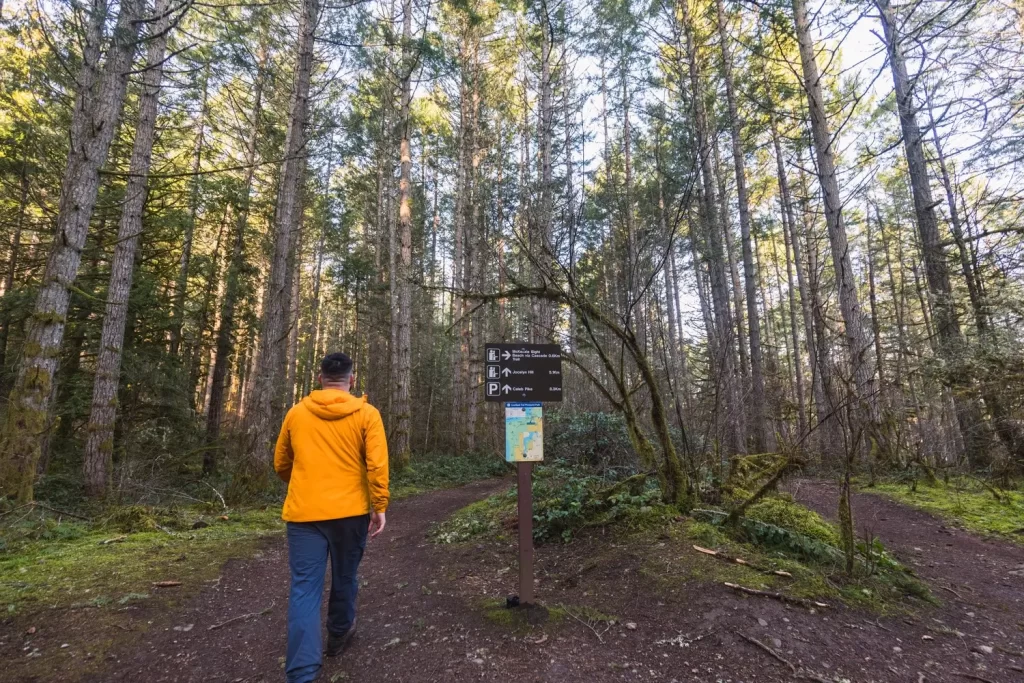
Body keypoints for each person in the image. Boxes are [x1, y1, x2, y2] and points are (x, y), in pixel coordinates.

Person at [274, 352, 389, 683]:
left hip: (304, 515)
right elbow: (377, 465)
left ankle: (301, 672)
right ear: (351, 380)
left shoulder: (297, 413)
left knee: (304, 588)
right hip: (350, 514)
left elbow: (281, 463)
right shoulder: (367, 414)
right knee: (345, 575)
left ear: (320, 378)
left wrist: (304, 483)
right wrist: (379, 505)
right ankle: (339, 634)